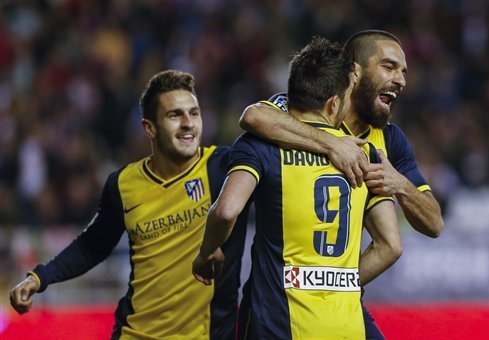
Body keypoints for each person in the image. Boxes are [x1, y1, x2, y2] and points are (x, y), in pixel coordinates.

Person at [9, 70, 247, 339]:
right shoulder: (122, 184)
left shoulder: (227, 168)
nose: (188, 123)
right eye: (174, 115)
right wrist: (40, 278)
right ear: (149, 128)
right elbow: (92, 246)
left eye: (194, 113)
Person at [239, 29, 445, 338]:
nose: (401, 79)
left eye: (404, 71)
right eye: (389, 67)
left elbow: (433, 224)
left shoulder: (388, 141)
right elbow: (254, 117)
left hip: (339, 305)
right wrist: (329, 143)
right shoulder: (299, 109)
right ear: (355, 71)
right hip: (274, 303)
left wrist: (400, 184)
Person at [193, 36, 399, 339]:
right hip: (345, 326)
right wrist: (336, 283)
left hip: (275, 323)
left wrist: (206, 252)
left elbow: (226, 211)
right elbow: (390, 246)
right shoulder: (363, 154)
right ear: (334, 103)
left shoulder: (261, 144)